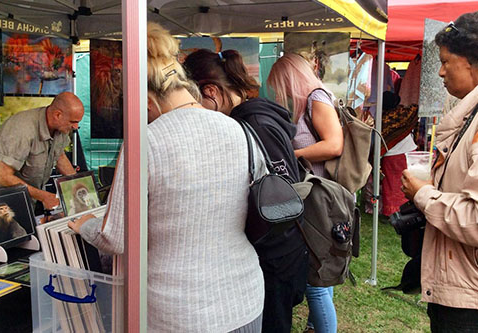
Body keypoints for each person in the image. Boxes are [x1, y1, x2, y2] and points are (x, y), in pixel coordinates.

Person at [70, 22, 265, 332]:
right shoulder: (240, 130)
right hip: (245, 298)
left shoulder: (146, 142)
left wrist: (86, 225)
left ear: (147, 101)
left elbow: (115, 237)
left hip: (178, 312)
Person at [184, 48, 308, 333]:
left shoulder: (252, 124)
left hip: (276, 252)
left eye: (194, 101)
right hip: (280, 247)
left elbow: (281, 192)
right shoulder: (257, 116)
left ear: (211, 91)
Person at [401, 11, 478, 332]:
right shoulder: (468, 116)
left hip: (468, 298)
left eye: (447, 61)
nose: (441, 72)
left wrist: (423, 195)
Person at [268, 53, 343, 333]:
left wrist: (292, 153)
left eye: (280, 86)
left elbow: (334, 145)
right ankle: (314, 325)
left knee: (314, 281)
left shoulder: (316, 98)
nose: (279, 93)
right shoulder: (315, 99)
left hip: (319, 196)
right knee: (321, 269)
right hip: (318, 195)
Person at [0, 92, 83, 211]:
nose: (76, 127)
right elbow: (3, 176)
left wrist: (79, 185)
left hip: (25, 199)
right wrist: (44, 196)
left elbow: (60, 157)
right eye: (73, 122)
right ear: (58, 115)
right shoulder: (22, 130)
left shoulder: (60, 128)